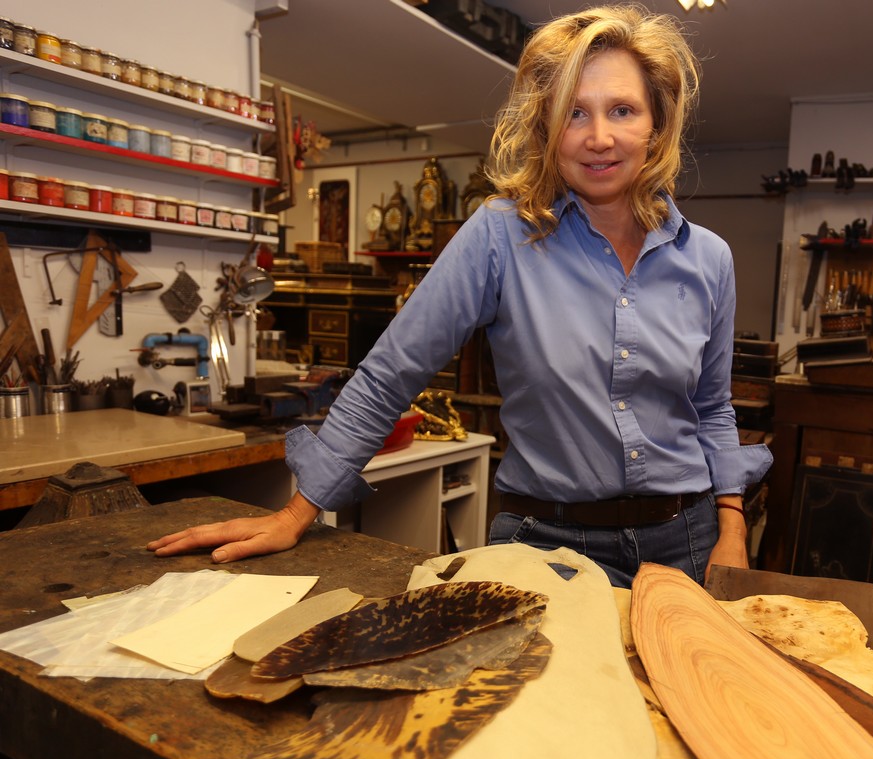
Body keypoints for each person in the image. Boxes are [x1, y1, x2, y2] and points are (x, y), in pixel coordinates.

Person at [148, 4, 772, 588]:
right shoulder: (502, 236)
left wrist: (731, 526)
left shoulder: (708, 259)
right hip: (548, 548)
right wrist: (295, 513)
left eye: (622, 110)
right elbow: (391, 374)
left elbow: (713, 407)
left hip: (686, 544)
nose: (599, 136)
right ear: (546, 129)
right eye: (574, 113)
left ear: (656, 125)